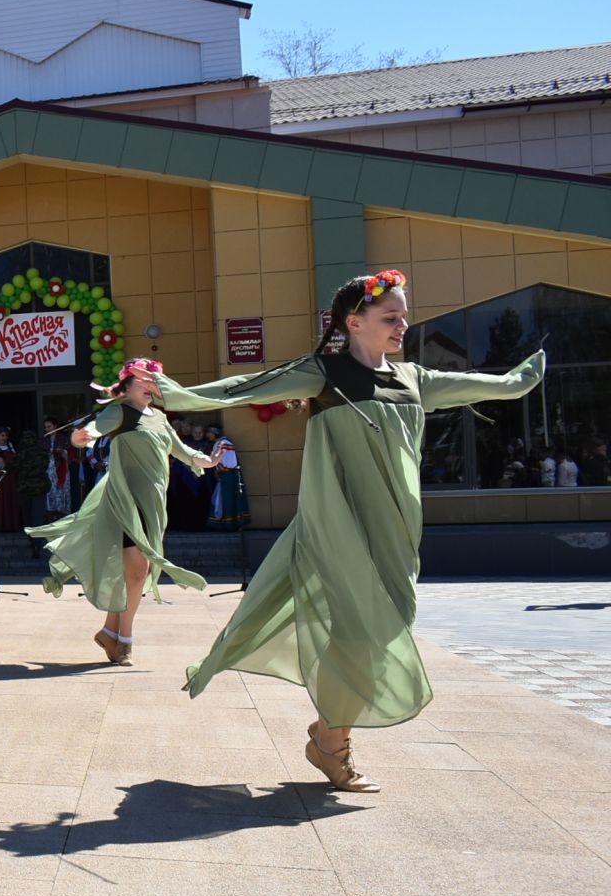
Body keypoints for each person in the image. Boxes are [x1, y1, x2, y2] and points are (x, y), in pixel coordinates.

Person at [157, 269, 545, 792]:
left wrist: (520, 380)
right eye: (391, 317)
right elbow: (241, 387)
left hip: (398, 527)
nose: (403, 324)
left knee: (391, 624)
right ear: (354, 322)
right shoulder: (325, 373)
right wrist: (175, 394)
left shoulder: (413, 380)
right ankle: (334, 747)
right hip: (340, 525)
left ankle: (325, 733)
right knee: (357, 630)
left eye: (404, 316)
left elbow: (488, 386)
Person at [28, 359, 213, 667]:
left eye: (154, 379)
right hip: (126, 501)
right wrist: (81, 436)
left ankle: (109, 632)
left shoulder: (160, 418)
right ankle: (125, 641)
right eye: (144, 379)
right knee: (139, 570)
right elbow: (93, 429)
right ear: (127, 388)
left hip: (154, 504)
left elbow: (183, 451)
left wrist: (208, 459)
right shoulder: (121, 412)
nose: (151, 384)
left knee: (137, 572)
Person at [208, 433, 250, 530]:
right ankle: (223, 523)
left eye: (209, 432)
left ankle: (230, 524)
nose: (208, 434)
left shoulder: (224, 443)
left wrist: (219, 469)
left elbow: (230, 463)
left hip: (228, 476)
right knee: (222, 498)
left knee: (228, 499)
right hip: (224, 475)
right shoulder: (219, 443)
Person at [43, 425, 74, 520]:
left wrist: (62, 451)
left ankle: (62, 514)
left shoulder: (64, 439)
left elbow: (71, 455)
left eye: (49, 426)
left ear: (55, 426)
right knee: (50, 490)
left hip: (61, 467)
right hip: (49, 469)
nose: (47, 429)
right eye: (46, 427)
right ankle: (51, 515)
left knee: (61, 490)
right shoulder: (44, 440)